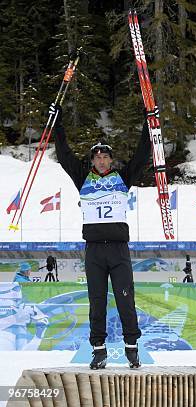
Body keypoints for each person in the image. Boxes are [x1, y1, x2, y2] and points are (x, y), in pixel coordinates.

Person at [51, 102, 154, 369]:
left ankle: (132, 348)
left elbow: (143, 154)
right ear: (92, 160)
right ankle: (99, 350)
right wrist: (57, 122)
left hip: (119, 250)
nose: (101, 160)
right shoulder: (83, 178)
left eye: (105, 156)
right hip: (95, 251)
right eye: (96, 157)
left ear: (110, 160)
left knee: (125, 299)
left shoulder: (123, 177)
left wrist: (148, 123)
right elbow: (63, 154)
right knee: (97, 302)